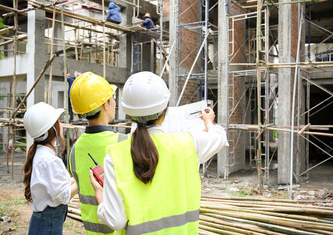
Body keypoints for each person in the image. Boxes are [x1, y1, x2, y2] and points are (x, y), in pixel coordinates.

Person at [90, 71, 229, 234]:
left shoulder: (116, 156)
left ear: (129, 115)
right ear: (165, 110)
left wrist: (100, 194)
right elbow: (218, 137)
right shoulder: (187, 144)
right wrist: (209, 122)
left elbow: (115, 220)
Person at [68, 72, 127, 235]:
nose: (115, 102)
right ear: (104, 105)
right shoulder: (123, 142)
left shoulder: (75, 149)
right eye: (112, 98)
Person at [22, 102, 77, 235]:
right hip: (48, 224)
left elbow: (60, 185)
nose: (62, 125)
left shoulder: (41, 154)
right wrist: (83, 182)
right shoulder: (50, 161)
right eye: (59, 122)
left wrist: (78, 177)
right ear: (51, 129)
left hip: (43, 222)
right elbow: (63, 196)